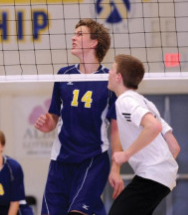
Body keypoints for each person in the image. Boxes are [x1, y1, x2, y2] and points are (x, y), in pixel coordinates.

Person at [34, 19, 124, 215]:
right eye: (74, 34)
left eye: (80, 34)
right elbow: (54, 118)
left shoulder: (109, 81)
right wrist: (47, 123)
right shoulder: (63, 75)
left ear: (94, 43)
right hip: (60, 161)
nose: (73, 38)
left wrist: (116, 168)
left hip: (92, 160)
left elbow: (116, 129)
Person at [107, 54, 180, 215]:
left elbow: (153, 127)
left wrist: (126, 155)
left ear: (118, 77)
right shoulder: (147, 103)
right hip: (162, 178)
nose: (109, 73)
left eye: (112, 69)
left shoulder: (125, 101)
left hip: (152, 176)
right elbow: (174, 147)